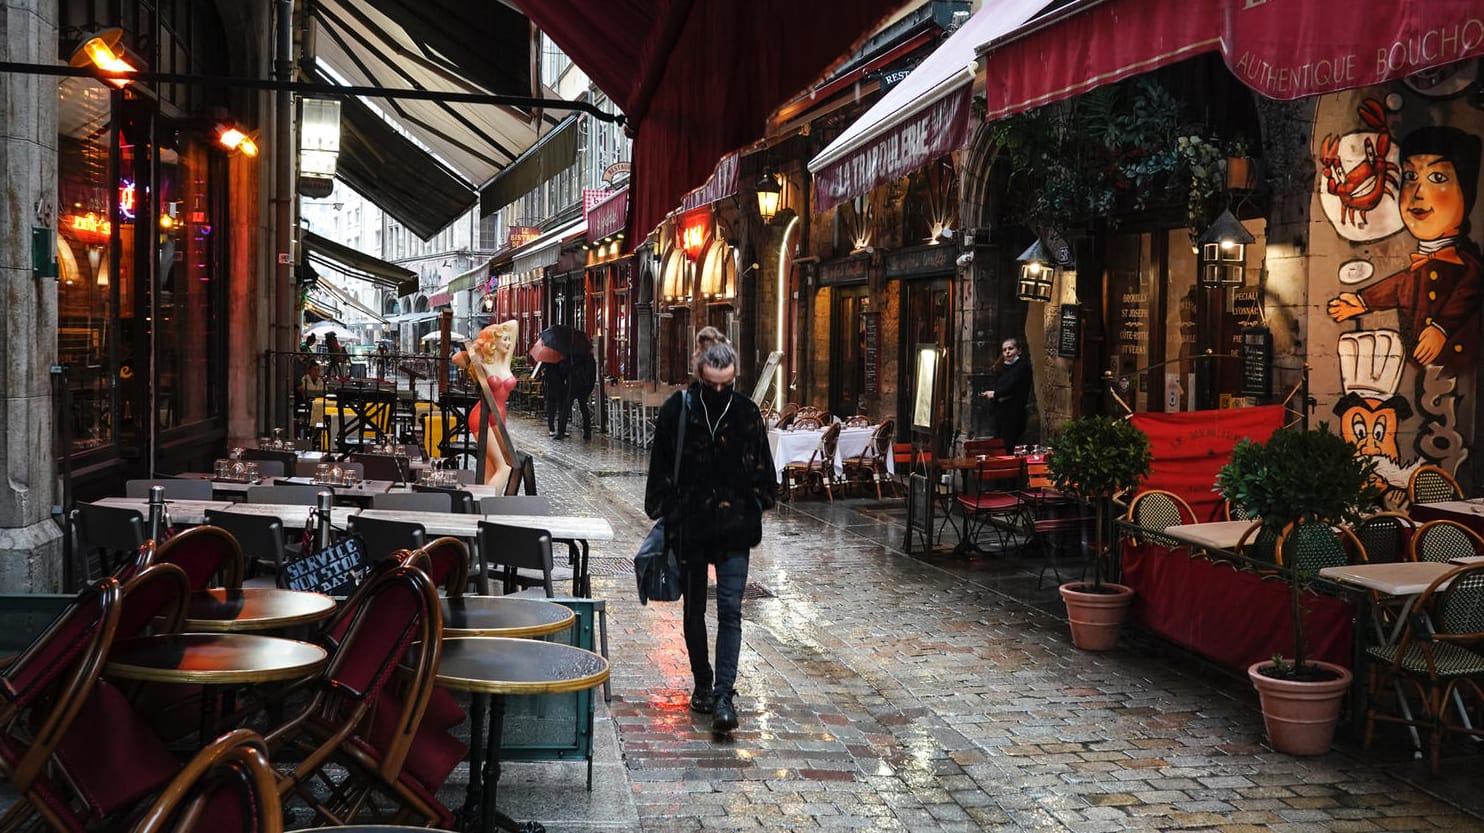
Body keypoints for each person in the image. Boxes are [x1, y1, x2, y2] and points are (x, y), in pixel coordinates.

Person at [645, 341, 778, 734]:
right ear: (700, 375)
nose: (719, 392)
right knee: (694, 610)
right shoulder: (679, 409)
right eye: (711, 384)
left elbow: (764, 474)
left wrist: (751, 503)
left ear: (734, 378)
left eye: (727, 384)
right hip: (691, 525)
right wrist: (671, 509)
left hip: (733, 528)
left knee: (731, 611)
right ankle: (702, 682)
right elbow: (660, 466)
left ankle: (724, 695)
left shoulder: (746, 413)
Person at [1328, 126, 1483, 372]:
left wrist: (1441, 328)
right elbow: (1400, 285)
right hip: (1425, 375)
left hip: (1457, 370)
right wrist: (1363, 300)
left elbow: (1471, 290)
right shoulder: (1421, 265)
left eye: (1438, 178)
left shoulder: (1467, 263)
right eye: (1410, 177)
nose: (1418, 194)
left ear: (1467, 192)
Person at [452, 320, 519, 490]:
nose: (509, 342)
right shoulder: (482, 362)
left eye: (508, 339)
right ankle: (487, 505)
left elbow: (514, 324)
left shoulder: (505, 362)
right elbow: (456, 358)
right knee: (504, 467)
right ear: (493, 343)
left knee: (492, 468)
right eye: (504, 339)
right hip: (481, 415)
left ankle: (483, 508)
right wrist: (479, 345)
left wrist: (497, 331)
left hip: (499, 416)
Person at [979, 337, 1033, 449]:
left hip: (1014, 414)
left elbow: (1012, 386)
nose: (1007, 352)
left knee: (1008, 445)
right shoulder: (1003, 367)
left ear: (1019, 350)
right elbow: (1000, 386)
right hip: (1001, 414)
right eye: (1004, 350)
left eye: (1010, 348)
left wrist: (995, 394)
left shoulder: (1022, 366)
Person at [569, 349, 597, 441]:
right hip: (585, 387)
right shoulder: (591, 359)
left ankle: (561, 430)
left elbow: (573, 371)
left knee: (567, 406)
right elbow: (592, 375)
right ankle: (587, 431)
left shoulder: (576, 358)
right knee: (584, 408)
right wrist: (589, 387)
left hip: (576, 385)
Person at [544, 358, 571, 439]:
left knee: (552, 409)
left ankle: (552, 429)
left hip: (551, 388)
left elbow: (546, 376)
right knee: (560, 409)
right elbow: (565, 374)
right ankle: (561, 429)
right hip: (559, 388)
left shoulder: (548, 361)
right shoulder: (562, 361)